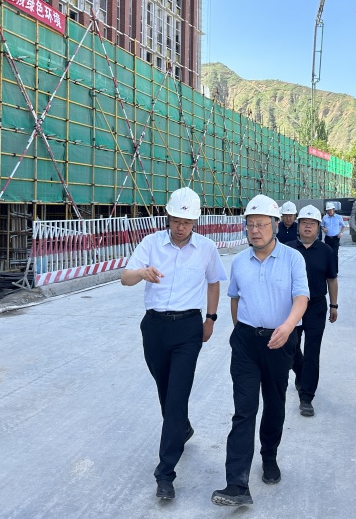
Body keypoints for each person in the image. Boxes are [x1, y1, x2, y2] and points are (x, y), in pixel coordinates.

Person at [120, 187, 228, 501]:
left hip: (188, 329)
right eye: (177, 220)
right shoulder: (151, 243)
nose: (181, 227)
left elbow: (213, 282)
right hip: (154, 327)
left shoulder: (206, 248)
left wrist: (210, 319)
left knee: (177, 396)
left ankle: (165, 473)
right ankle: (182, 427)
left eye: (187, 222)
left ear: (195, 221)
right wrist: (142, 273)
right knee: (165, 389)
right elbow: (125, 278)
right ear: (168, 217)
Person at [212, 194, 310, 507]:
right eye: (250, 224)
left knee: (274, 404)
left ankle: (269, 455)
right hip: (246, 344)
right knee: (244, 410)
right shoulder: (240, 261)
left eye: (261, 224)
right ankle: (236, 483)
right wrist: (240, 330)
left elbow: (301, 298)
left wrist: (288, 327)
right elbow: (235, 299)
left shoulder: (293, 259)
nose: (254, 230)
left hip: (280, 342)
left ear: (275, 225)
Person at [285, 205, 338, 417]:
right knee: (290, 347)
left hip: (316, 306)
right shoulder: (287, 250)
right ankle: (300, 372)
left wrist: (334, 305)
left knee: (312, 351)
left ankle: (306, 397)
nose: (308, 227)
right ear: (298, 226)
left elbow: (332, 280)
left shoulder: (326, 252)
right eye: (304, 223)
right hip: (291, 306)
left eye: (312, 223)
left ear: (318, 227)